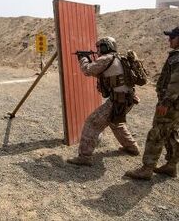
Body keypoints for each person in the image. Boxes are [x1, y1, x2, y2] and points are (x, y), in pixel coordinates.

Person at [67, 37, 140, 166]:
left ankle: (84, 157)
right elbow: (102, 73)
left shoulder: (106, 59)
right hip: (128, 99)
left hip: (118, 101)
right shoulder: (118, 58)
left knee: (92, 123)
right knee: (116, 123)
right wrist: (89, 60)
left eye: (100, 47)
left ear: (107, 47)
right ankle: (132, 147)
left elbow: (88, 70)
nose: (98, 50)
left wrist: (83, 59)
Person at [125, 27, 179, 180]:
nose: (169, 40)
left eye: (173, 37)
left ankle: (147, 168)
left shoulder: (178, 58)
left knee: (157, 133)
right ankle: (171, 165)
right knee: (171, 133)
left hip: (171, 104)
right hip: (176, 105)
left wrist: (166, 102)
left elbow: (176, 83)